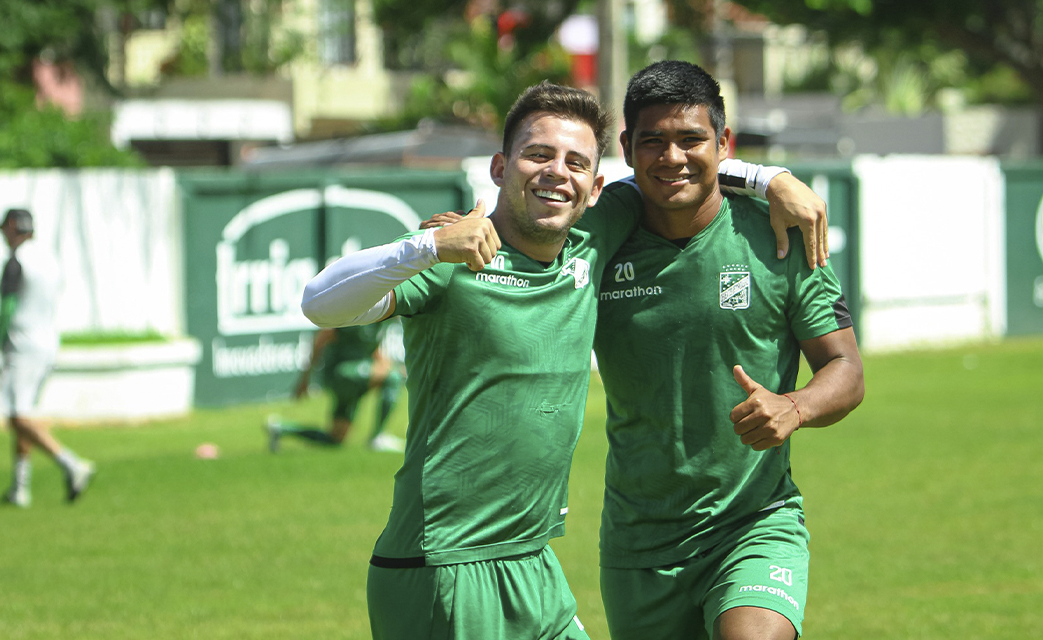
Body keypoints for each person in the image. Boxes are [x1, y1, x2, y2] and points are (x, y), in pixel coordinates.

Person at [301, 82, 824, 639]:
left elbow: (672, 169)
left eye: (576, 162)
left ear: (596, 186)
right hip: (444, 563)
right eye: (538, 155)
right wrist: (426, 248)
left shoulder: (595, 236)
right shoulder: (449, 254)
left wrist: (770, 178)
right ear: (500, 167)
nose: (557, 172)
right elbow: (319, 304)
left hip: (533, 564)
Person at [591, 60, 865, 640]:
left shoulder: (780, 234)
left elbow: (845, 368)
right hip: (637, 542)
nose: (672, 158)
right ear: (625, 148)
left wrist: (795, 407)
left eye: (691, 139)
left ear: (723, 143)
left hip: (753, 524)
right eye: (653, 142)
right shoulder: (599, 240)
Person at [0, 208, 96, 508]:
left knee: (17, 415)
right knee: (23, 413)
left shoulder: (16, 262)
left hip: (22, 344)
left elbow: (6, 310)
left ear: (12, 227)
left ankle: (71, 464)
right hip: (48, 342)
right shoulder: (49, 259)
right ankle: (19, 489)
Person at [265, 322, 406, 453]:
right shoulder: (357, 310)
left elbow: (370, 348)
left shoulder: (380, 321)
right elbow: (322, 337)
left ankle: (280, 428)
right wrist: (305, 378)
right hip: (342, 373)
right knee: (393, 377)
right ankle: (378, 437)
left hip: (355, 378)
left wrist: (386, 364)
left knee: (335, 439)